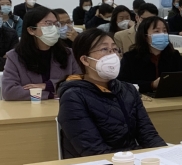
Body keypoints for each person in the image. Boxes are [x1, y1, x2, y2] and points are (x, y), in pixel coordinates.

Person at [57, 29, 166, 158]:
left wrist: (166, 156)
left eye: (115, 49)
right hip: (95, 164)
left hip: (129, 159)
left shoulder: (128, 90)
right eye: (104, 49)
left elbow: (148, 135)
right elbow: (93, 150)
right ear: (85, 60)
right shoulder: (73, 97)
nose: (112, 55)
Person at [2, 7, 81, 101]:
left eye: (56, 24)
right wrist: (49, 94)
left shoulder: (68, 54)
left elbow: (78, 82)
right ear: (31, 30)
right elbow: (9, 91)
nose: (54, 28)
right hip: (29, 108)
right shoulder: (15, 56)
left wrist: (48, 85)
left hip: (63, 106)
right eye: (48, 24)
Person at [118, 16, 182, 93]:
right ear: (145, 36)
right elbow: (122, 84)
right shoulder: (130, 58)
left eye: (165, 31)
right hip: (141, 98)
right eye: (157, 31)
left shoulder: (174, 55)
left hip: (171, 97)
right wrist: (151, 85)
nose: (162, 34)